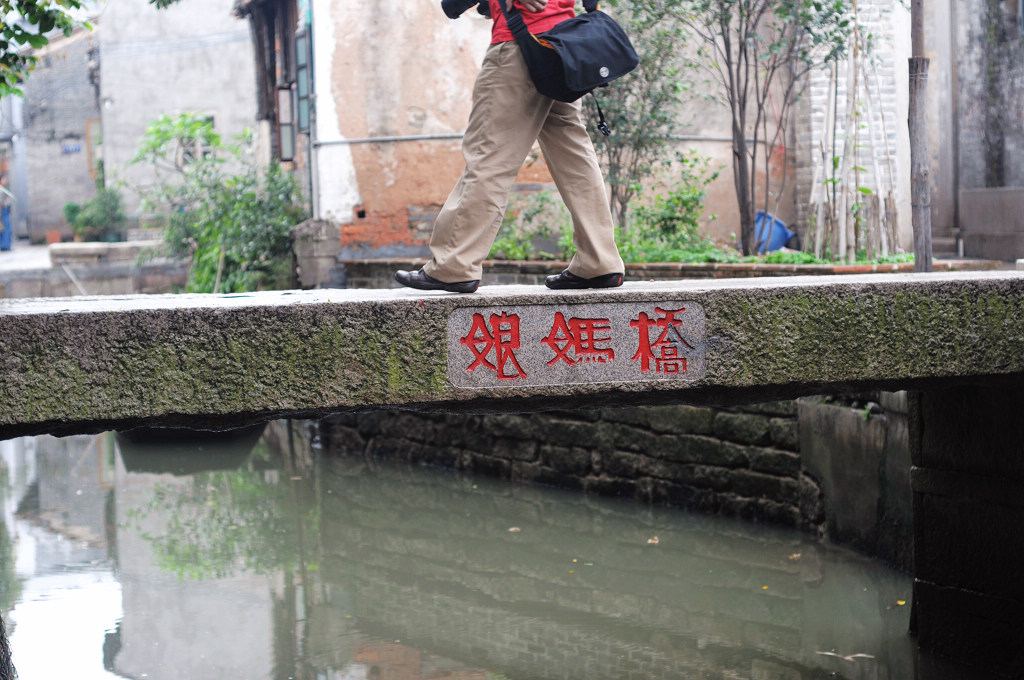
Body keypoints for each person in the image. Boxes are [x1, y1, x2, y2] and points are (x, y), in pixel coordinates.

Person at [394, 0, 625, 294]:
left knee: (490, 156)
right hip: (561, 47)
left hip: (519, 48)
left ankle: (454, 265)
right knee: (574, 158)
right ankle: (599, 261)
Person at [0, 174, 13, 252]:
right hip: (2, 211)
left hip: (5, 210)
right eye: (3, 179)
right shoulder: (1, 190)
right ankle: (3, 245)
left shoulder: (5, 189)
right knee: (2, 229)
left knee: (6, 228)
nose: (5, 181)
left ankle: (6, 245)